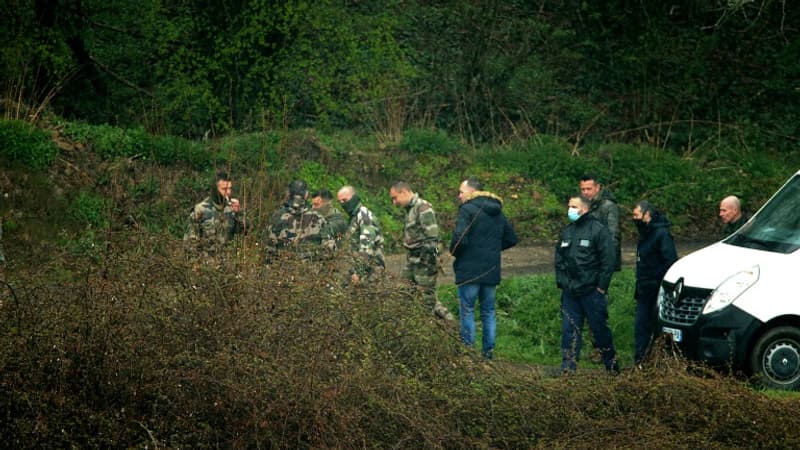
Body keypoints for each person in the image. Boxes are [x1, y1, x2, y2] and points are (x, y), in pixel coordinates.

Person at [450, 177, 517, 359]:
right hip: (491, 270)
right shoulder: (498, 212)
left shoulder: (467, 210)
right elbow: (511, 238)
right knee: (488, 311)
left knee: (467, 310)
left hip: (469, 270)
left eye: (461, 192)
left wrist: (454, 252)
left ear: (472, 192)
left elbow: (460, 237)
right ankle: (488, 353)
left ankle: (468, 352)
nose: (459, 196)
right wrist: (492, 249)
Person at [555, 194, 619, 373]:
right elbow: (559, 259)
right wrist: (562, 282)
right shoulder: (568, 231)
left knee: (600, 330)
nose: (570, 210)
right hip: (570, 292)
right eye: (569, 206)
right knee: (569, 330)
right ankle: (568, 367)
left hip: (592, 291)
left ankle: (612, 366)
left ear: (584, 209)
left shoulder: (598, 230)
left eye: (573, 207)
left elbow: (608, 260)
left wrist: (601, 287)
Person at [389, 181, 454, 320]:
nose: (394, 202)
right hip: (413, 261)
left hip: (424, 262)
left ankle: (446, 324)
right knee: (403, 292)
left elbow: (432, 237)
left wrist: (426, 261)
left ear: (404, 192)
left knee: (427, 299)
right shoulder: (411, 209)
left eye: (395, 198)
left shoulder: (423, 208)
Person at [632, 200, 678, 365]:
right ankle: (641, 360)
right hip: (643, 289)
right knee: (641, 326)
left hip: (656, 290)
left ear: (647, 215)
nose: (634, 219)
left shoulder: (662, 234)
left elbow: (670, 262)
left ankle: (657, 361)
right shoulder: (644, 233)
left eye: (636, 215)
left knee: (655, 328)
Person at [184, 171, 246, 257]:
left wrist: (238, 213)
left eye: (230, 188)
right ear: (215, 189)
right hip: (206, 265)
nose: (228, 192)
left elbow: (244, 231)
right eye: (224, 189)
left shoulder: (231, 209)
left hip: (228, 265)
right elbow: (190, 243)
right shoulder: (200, 209)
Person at [336, 185, 385, 283]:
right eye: (340, 202)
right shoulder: (353, 218)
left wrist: (358, 272)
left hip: (371, 273)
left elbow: (366, 248)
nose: (342, 204)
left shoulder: (364, 216)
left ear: (354, 197)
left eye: (345, 200)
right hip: (360, 271)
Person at [268, 180, 332, 251]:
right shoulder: (318, 218)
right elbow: (329, 247)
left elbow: (268, 247)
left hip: (281, 261)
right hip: (312, 261)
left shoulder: (277, 216)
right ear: (306, 195)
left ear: (288, 193)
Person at [579, 174, 621, 271]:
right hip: (586, 257)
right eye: (583, 189)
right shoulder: (583, 204)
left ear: (597, 188)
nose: (585, 192)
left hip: (600, 258)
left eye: (589, 189)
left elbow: (613, 235)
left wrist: (609, 263)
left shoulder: (609, 206)